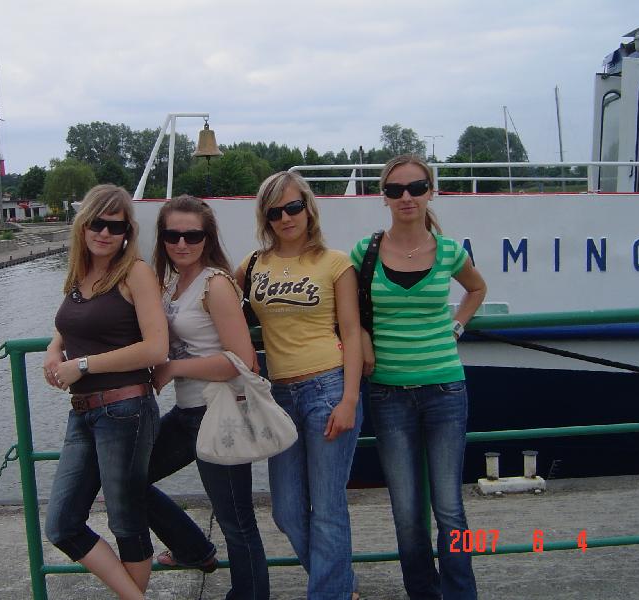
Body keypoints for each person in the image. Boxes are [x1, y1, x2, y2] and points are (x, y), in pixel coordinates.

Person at [350, 155, 486, 600]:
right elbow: (349, 312)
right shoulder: (365, 252)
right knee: (407, 512)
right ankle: (423, 593)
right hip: (388, 392)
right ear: (384, 197)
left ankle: (461, 593)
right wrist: (364, 339)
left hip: (445, 388)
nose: (406, 197)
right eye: (395, 190)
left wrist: (457, 325)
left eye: (415, 188)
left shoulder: (449, 251)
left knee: (450, 508)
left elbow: (477, 288)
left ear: (431, 192)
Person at [236, 171, 363, 600]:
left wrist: (349, 400)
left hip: (328, 388)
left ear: (308, 208)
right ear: (265, 218)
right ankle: (340, 584)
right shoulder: (253, 265)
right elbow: (216, 300)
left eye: (293, 207)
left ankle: (331, 593)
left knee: (327, 508)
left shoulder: (335, 262)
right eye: (275, 212)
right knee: (287, 511)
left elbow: (351, 331)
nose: (286, 218)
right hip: (279, 397)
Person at [43, 184, 168, 599]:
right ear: (83, 225)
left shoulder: (136, 273)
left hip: (125, 409)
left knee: (126, 521)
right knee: (62, 524)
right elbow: (71, 321)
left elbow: (157, 348)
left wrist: (81, 365)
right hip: (83, 412)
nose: (104, 233)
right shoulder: (79, 273)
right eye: (97, 223)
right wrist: (54, 348)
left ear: (127, 232)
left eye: (116, 227)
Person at [147, 195, 270, 600]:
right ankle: (192, 548)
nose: (182, 243)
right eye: (173, 235)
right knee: (127, 480)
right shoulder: (171, 283)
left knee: (237, 521)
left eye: (193, 235)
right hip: (187, 413)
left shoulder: (215, 284)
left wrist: (173, 368)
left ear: (208, 237)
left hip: (218, 412)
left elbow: (243, 361)